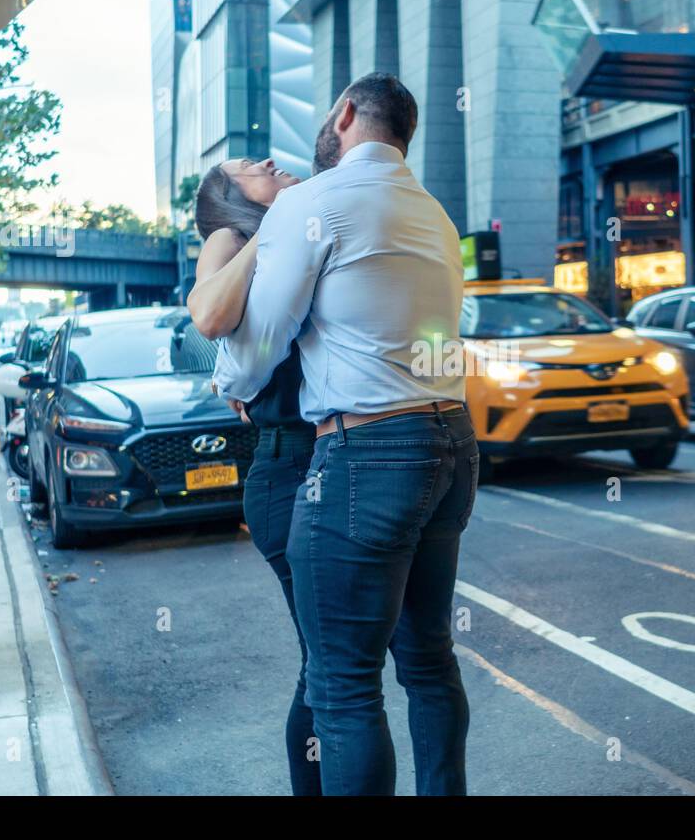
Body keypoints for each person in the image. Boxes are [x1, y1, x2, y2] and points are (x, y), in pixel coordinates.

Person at [214, 73, 478, 795]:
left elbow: (261, 336)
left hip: (367, 453)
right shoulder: (434, 214)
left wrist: (230, 382)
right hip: (451, 442)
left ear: (345, 115)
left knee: (343, 685)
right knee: (429, 662)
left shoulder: (313, 201)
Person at [185, 157, 324, 797]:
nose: (267, 161)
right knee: (324, 664)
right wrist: (270, 231)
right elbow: (209, 315)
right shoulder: (232, 237)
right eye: (246, 166)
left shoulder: (304, 224)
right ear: (227, 195)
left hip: (325, 456)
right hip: (288, 468)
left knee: (337, 661)